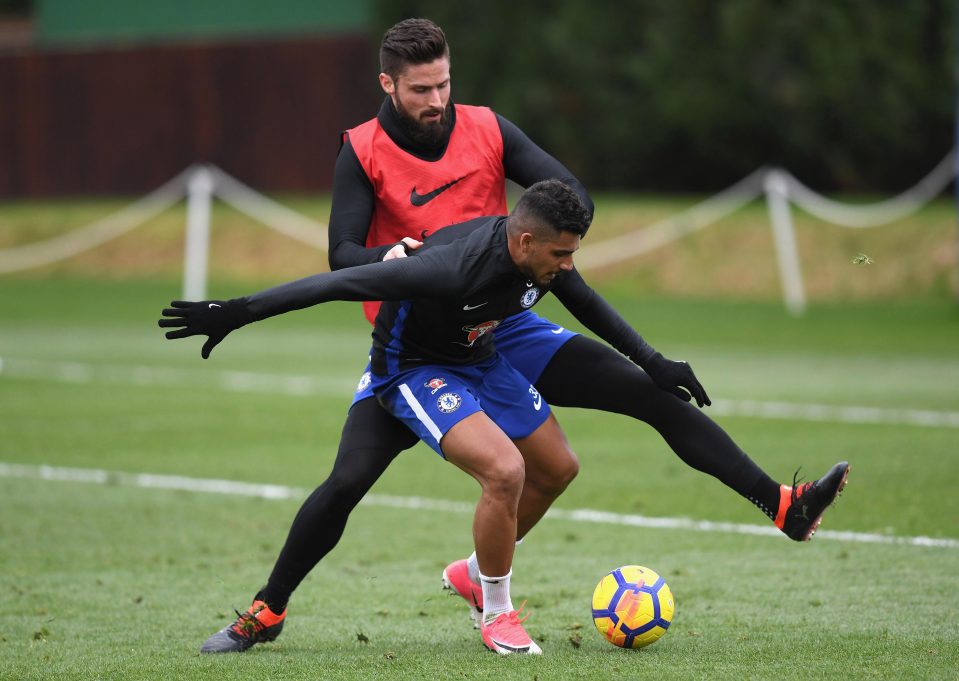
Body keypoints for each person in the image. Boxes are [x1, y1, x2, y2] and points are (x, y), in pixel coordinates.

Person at [189, 18, 849, 654]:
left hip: (500, 322)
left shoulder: (487, 133)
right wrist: (384, 262)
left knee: (637, 398)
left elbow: (569, 211)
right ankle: (268, 608)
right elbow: (339, 261)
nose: (437, 100)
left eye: (443, 84)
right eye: (421, 89)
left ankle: (781, 505)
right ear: (388, 85)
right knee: (347, 483)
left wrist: (635, 337)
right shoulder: (362, 150)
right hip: (417, 341)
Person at [162, 180, 721, 654]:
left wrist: (654, 363)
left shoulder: (541, 258)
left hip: (478, 361)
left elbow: (590, 303)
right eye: (561, 255)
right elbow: (337, 284)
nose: (569, 266)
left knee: (557, 467)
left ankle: (474, 573)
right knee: (462, 474)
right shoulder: (450, 270)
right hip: (408, 371)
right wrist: (235, 312)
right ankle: (276, 610)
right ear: (526, 241)